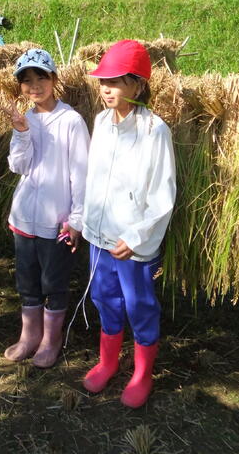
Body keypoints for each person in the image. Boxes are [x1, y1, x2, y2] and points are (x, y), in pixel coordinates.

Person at [80, 39, 176, 408]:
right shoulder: (101, 122)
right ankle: (108, 362)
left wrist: (136, 237)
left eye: (116, 82)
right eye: (103, 81)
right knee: (103, 296)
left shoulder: (154, 131)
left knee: (139, 304)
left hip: (132, 243)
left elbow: (163, 194)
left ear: (137, 85)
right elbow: (95, 179)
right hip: (99, 236)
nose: (106, 89)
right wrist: (86, 222)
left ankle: (142, 373)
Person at [3, 48, 90, 368]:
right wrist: (21, 132)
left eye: (41, 77)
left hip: (57, 221)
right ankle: (29, 337)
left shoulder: (71, 121)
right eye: (26, 80)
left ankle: (51, 341)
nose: (34, 85)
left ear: (54, 79)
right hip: (24, 217)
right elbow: (18, 166)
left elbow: (81, 173)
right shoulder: (25, 119)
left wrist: (77, 219)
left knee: (54, 282)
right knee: (27, 282)